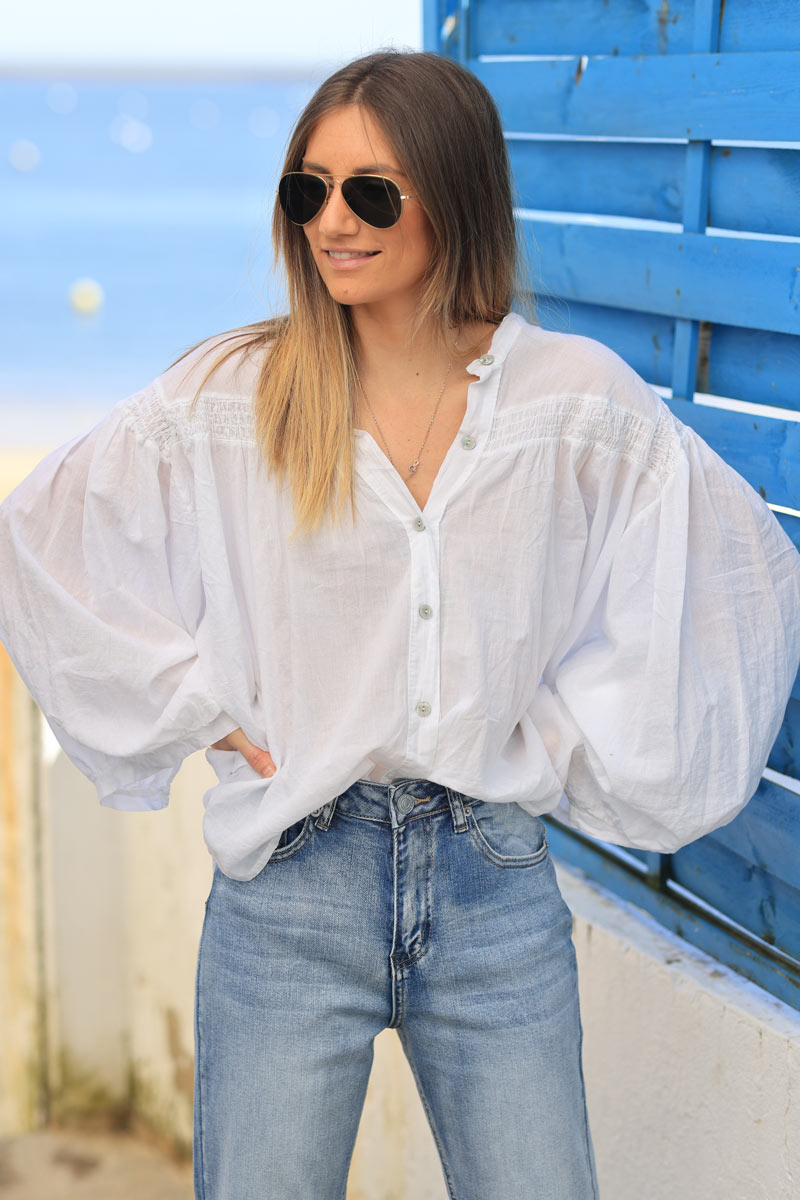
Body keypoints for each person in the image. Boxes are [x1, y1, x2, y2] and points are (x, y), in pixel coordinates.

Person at [1, 48, 799, 1200]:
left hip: (493, 884)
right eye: (306, 189)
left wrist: (564, 741)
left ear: (454, 194)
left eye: (370, 192)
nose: (333, 220)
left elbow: (730, 571)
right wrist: (204, 712)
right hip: (290, 886)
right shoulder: (236, 395)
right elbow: (45, 540)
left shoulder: (567, 400)